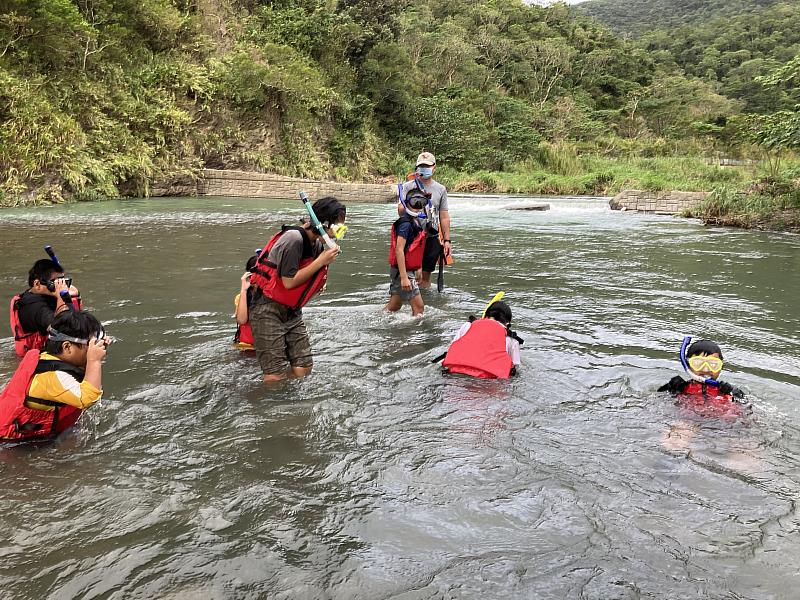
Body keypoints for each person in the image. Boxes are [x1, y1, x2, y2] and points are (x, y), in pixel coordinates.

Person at [248, 197, 346, 382]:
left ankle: (291, 404)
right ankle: (268, 403)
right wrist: (321, 261)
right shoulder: (293, 239)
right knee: (274, 375)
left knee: (304, 367)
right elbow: (288, 282)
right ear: (325, 223)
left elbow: (308, 273)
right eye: (338, 225)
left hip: (292, 311)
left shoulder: (316, 244)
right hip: (267, 309)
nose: (340, 230)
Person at [0, 310, 108, 442]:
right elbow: (88, 398)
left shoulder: (50, 358)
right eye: (90, 345)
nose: (94, 348)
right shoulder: (53, 375)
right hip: (11, 442)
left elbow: (85, 377)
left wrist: (93, 357)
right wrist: (94, 361)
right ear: (67, 347)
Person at [398, 152, 451, 289]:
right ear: (417, 168)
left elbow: (444, 216)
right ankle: (409, 302)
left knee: (426, 276)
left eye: (427, 166)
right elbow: (400, 211)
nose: (424, 169)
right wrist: (413, 200)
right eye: (421, 166)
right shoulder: (408, 186)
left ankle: (425, 304)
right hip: (411, 237)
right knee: (409, 274)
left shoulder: (440, 189)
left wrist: (447, 240)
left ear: (434, 167)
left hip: (431, 236)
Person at [9, 259, 81, 357]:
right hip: (37, 359)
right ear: (37, 284)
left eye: (63, 281)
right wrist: (62, 297)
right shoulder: (34, 307)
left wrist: (76, 296)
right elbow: (61, 329)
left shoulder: (46, 295)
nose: (61, 286)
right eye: (55, 282)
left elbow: (78, 320)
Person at [658, 338, 746, 417]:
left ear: (721, 368)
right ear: (688, 365)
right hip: (687, 419)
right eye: (698, 363)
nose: (706, 369)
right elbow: (659, 401)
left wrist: (738, 395)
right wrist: (671, 389)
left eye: (713, 364)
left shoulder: (728, 392)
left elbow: (747, 409)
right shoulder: (681, 388)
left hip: (724, 424)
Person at [442, 300, 522, 379]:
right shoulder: (512, 339)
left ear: (486, 316)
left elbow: (452, 348)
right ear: (507, 323)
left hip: (454, 373)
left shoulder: (467, 326)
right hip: (488, 380)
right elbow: (515, 366)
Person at [385, 189, 428, 316]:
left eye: (422, 202)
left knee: (394, 306)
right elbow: (399, 250)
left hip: (404, 269)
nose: (418, 207)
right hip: (402, 271)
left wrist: (418, 267)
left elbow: (414, 249)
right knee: (419, 308)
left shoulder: (415, 221)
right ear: (407, 203)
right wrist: (404, 277)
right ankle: (415, 335)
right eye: (415, 202)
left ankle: (373, 319)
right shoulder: (405, 224)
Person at [233, 254, 258, 350]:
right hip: (247, 348)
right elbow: (242, 320)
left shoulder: (275, 295)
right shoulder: (241, 297)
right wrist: (244, 290)